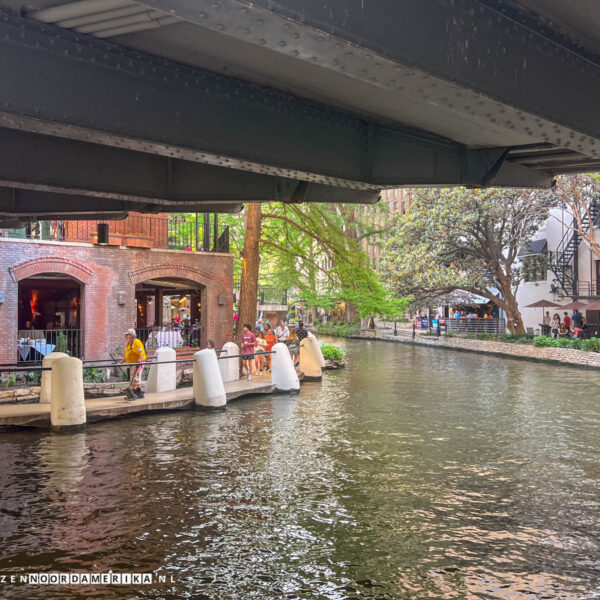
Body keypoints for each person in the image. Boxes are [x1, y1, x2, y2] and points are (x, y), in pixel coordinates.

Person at [122, 328, 146, 399]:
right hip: (132, 363)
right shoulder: (129, 344)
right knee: (135, 378)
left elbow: (141, 352)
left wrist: (139, 361)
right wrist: (120, 362)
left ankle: (134, 395)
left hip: (137, 363)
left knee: (134, 379)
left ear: (131, 336)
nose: (126, 336)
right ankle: (139, 394)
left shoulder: (136, 342)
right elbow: (128, 355)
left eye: (127, 335)